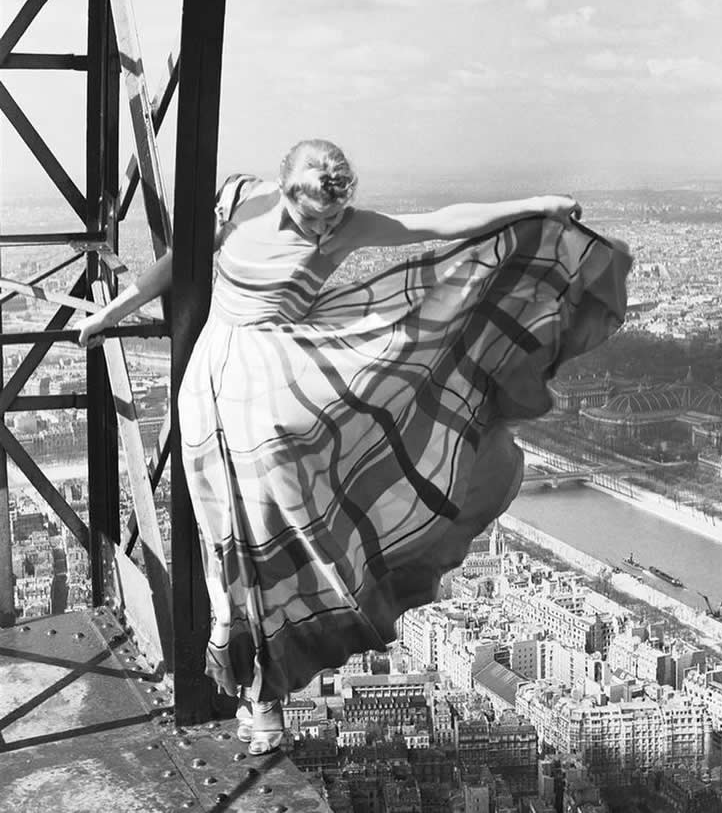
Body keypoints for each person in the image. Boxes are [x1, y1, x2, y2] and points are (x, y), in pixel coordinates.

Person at [76, 139, 630, 754]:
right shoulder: (240, 199)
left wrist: (536, 205)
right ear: (283, 190)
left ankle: (266, 696)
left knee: (260, 539)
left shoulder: (344, 228)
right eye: (313, 220)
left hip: (273, 394)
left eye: (333, 220)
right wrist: (113, 313)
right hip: (210, 382)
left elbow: (440, 223)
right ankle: (248, 674)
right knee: (220, 535)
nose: (323, 231)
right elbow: (180, 263)